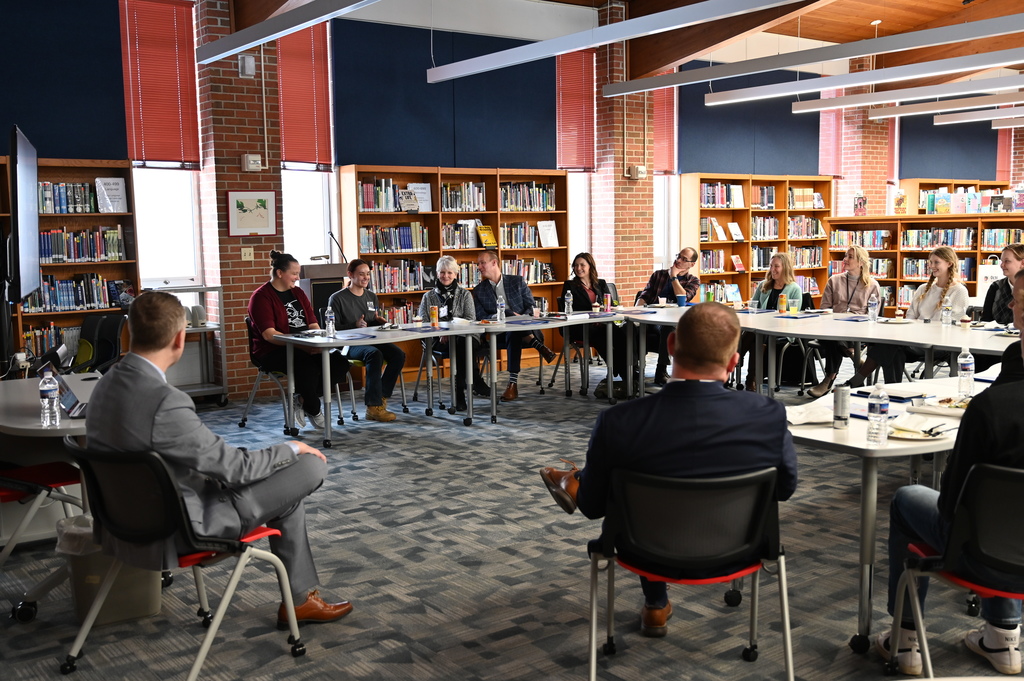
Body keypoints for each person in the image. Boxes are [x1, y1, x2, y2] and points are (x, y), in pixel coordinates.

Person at [86, 291, 352, 629]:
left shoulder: (104, 384)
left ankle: (300, 599)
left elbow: (200, 454)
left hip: (124, 518)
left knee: (286, 494)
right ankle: (299, 602)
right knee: (310, 465)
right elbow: (236, 471)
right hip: (183, 526)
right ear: (180, 338)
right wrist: (291, 450)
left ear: (129, 331)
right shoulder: (165, 401)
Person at [539, 302, 797, 637]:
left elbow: (591, 508)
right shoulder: (769, 416)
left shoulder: (619, 421)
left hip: (643, 549)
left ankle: (655, 602)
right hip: (739, 550)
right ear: (734, 362)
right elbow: (785, 488)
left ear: (671, 345)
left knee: (642, 495)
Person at [877, 269, 1024, 677]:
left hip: (982, 552)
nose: (1009, 305)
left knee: (909, 499)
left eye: (1016, 300)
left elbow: (952, 499)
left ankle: (906, 641)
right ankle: (1003, 636)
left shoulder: (992, 409)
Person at [248, 250, 349, 429]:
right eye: (294, 274)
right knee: (307, 366)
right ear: (280, 273)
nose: (297, 278)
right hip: (273, 350)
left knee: (340, 363)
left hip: (306, 345)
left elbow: (312, 324)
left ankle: (301, 398)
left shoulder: (299, 293)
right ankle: (314, 408)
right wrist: (302, 346)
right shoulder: (261, 297)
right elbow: (269, 335)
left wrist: (319, 342)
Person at [847, 246, 969, 388]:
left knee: (892, 347)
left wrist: (922, 328)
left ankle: (862, 382)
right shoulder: (923, 289)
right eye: (930, 262)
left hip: (940, 344)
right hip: (914, 339)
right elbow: (910, 317)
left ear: (949, 263)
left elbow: (953, 326)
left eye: (936, 262)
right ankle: (890, 388)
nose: (932, 266)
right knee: (888, 344)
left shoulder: (959, 291)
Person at [328, 259, 407, 422]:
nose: (366, 278)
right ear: (350, 275)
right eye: (361, 274)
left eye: (368, 274)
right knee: (375, 354)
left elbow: (370, 321)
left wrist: (377, 321)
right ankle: (373, 406)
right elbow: (331, 329)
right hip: (348, 344)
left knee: (398, 354)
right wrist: (354, 325)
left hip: (371, 339)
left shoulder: (371, 296)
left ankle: (380, 396)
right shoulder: (337, 298)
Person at [472, 249, 556, 402]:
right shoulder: (479, 291)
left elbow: (531, 306)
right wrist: (501, 316)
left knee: (514, 330)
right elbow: (480, 316)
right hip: (497, 333)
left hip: (522, 329)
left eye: (482, 263)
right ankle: (538, 345)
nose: (479, 266)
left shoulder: (517, 281)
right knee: (508, 316)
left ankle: (512, 384)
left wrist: (518, 318)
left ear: (494, 263)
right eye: (478, 264)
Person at [807, 245, 882, 397]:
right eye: (845, 256)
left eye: (850, 257)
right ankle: (851, 353)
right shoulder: (834, 280)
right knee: (833, 335)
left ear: (861, 262)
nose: (845, 259)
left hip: (858, 329)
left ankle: (828, 379)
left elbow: (873, 316)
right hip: (833, 327)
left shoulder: (872, 285)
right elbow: (825, 309)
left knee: (835, 338)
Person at [560, 252, 627, 398]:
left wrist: (608, 308)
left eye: (582, 265)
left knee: (623, 333)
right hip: (581, 326)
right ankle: (624, 372)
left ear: (590, 266)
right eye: (576, 265)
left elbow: (611, 304)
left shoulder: (601, 283)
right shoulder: (570, 285)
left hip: (602, 323)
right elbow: (569, 308)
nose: (579, 268)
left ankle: (629, 368)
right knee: (602, 336)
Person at [417, 255, 480, 411]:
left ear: (456, 274)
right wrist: (440, 331)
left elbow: (470, 319)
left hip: (464, 337)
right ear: (437, 273)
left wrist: (451, 332)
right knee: (462, 346)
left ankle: (459, 392)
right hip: (437, 339)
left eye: (449, 272)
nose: (446, 276)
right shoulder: (428, 297)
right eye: (442, 272)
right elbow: (424, 322)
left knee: (462, 343)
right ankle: (474, 382)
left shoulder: (465, 294)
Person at [635, 247, 701, 384]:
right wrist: (636, 314)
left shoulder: (693, 281)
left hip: (669, 322)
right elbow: (644, 296)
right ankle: (633, 369)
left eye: (684, 259)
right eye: (679, 256)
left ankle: (661, 370)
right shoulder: (658, 275)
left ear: (692, 264)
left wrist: (673, 277)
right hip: (651, 317)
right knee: (631, 328)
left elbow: (683, 298)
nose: (678, 260)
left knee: (668, 327)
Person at [739, 252, 803, 391]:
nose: (772, 269)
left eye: (776, 266)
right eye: (771, 266)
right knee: (755, 334)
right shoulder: (764, 285)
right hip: (760, 327)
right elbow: (753, 305)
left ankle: (739, 361)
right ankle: (751, 378)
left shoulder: (794, 289)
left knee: (756, 335)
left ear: (785, 268)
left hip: (782, 329)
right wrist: (746, 308)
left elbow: (794, 315)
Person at [977, 245, 1024, 373]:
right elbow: (986, 320)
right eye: (1001, 261)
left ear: (1022, 263)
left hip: (1018, 344)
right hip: (994, 342)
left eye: (1007, 261)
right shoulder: (996, 287)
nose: (1002, 265)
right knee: (977, 356)